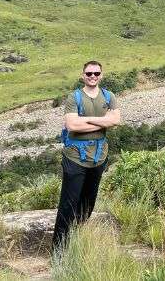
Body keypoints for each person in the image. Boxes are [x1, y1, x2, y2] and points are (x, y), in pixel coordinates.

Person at [52, 60, 121, 252]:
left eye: (96, 73)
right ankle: (59, 250)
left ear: (101, 75)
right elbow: (72, 125)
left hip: (98, 157)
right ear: (83, 75)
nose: (93, 77)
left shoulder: (109, 96)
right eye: (89, 73)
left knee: (88, 202)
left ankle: (77, 238)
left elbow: (116, 120)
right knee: (68, 203)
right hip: (75, 157)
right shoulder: (74, 98)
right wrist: (103, 122)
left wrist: (87, 120)